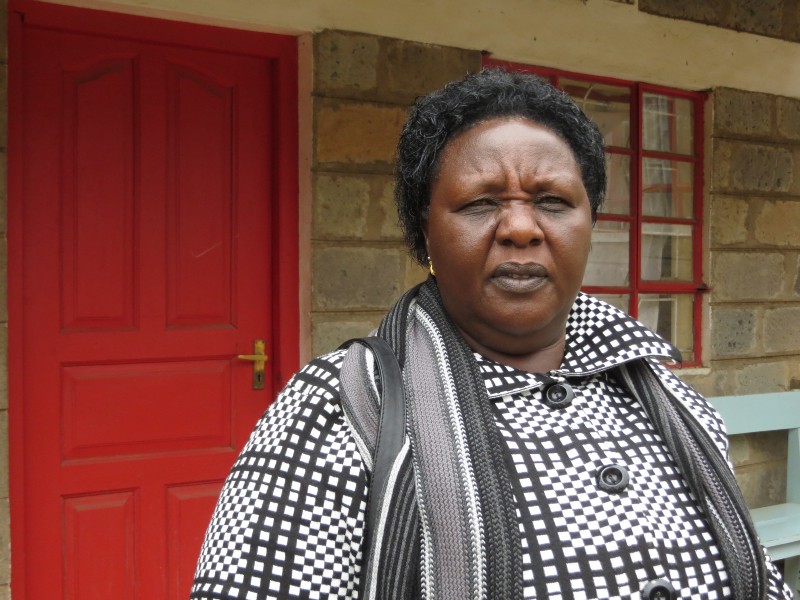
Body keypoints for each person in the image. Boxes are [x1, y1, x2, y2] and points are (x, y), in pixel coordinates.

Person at [191, 68, 792, 600]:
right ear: (424, 234)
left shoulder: (663, 393)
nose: (522, 229)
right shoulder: (342, 408)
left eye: (553, 201)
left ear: (590, 224)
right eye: (481, 204)